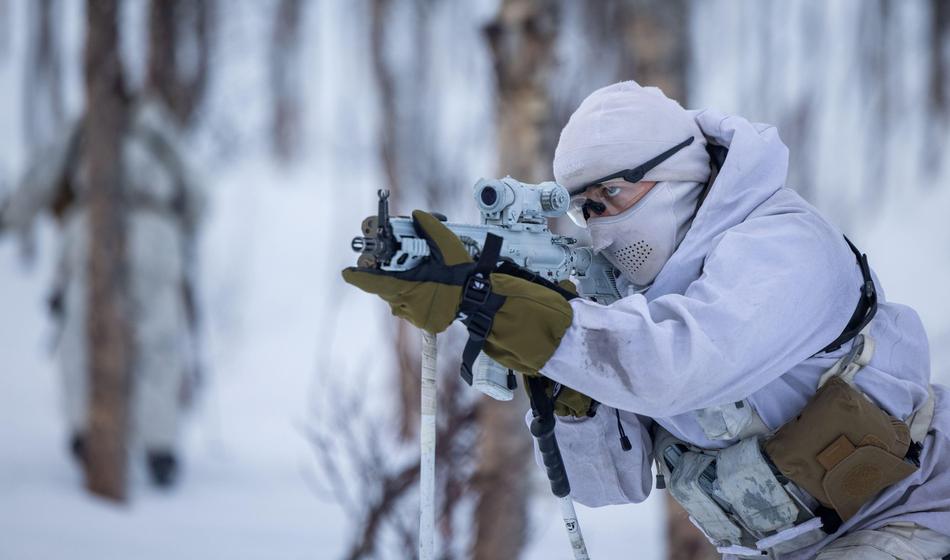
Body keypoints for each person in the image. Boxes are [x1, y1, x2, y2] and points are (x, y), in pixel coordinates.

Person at [343, 81, 950, 559]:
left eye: (608, 198)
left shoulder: (784, 245)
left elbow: (677, 366)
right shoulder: (637, 304)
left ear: (675, 174)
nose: (600, 225)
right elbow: (609, 485)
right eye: (583, 210)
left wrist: (523, 314)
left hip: (907, 519)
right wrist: (570, 392)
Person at [0, 97, 205, 487]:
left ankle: (84, 433)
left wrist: (8, 219)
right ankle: (160, 447)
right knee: (159, 344)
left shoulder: (85, 126)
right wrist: (178, 237)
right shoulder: (157, 126)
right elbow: (198, 195)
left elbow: (38, 182)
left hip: (92, 228)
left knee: (82, 333)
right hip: (157, 232)